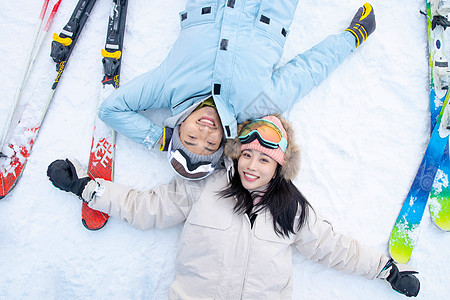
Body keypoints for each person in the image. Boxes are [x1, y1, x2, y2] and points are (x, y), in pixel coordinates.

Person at [47, 114, 420, 298]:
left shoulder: (292, 211)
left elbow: (334, 247)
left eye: (264, 159)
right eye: (247, 154)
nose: (251, 166)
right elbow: (147, 207)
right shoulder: (205, 187)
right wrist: (86, 188)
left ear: (280, 166)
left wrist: (385, 270)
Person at [97, 1, 376, 179]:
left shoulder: (168, 86)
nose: (205, 131)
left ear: (178, 128)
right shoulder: (256, 105)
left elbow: (110, 109)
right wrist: (353, 37)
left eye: (191, 137)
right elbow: (307, 71)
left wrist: (159, 139)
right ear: (223, 141)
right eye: (210, 144)